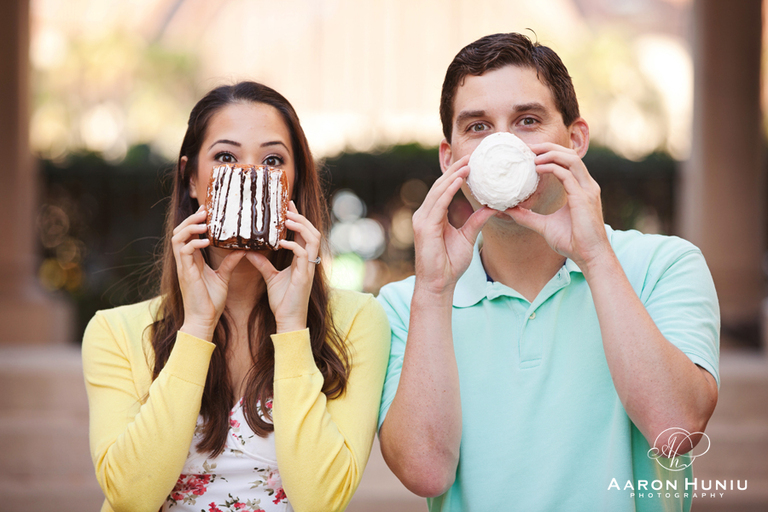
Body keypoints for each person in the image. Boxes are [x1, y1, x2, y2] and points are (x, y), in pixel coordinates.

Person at [376, 33, 719, 512]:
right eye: (477, 127)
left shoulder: (666, 266)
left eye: (527, 121)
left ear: (575, 140)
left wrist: (596, 258)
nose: (502, 145)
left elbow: (674, 431)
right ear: (450, 159)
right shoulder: (403, 307)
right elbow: (425, 471)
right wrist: (434, 291)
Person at [82, 81, 390, 512]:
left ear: (294, 179)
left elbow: (322, 500)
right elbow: (130, 495)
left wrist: (292, 326)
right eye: (226, 157)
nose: (249, 174)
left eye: (272, 160)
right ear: (192, 178)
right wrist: (197, 328)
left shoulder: (359, 321)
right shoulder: (113, 332)